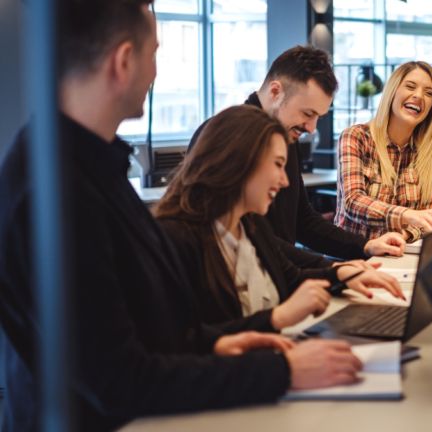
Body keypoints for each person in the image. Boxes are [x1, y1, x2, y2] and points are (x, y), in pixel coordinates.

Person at [0, 2, 361, 430]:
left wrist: (217, 342)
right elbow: (120, 380)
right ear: (123, 61)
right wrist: (284, 372)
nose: (156, 73)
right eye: (154, 54)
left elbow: (142, 326)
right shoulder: (54, 190)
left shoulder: (90, 166)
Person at [154, 105, 404, 331]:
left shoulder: (250, 226)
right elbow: (189, 340)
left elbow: (291, 277)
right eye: (277, 164)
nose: (284, 181)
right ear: (238, 161)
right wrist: (277, 318)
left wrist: (342, 274)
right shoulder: (175, 240)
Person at [187, 46, 405, 269]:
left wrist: (366, 245)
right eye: (307, 114)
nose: (311, 128)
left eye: (317, 117)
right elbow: (250, 241)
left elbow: (302, 221)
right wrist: (332, 271)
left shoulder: (287, 138)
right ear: (275, 92)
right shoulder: (223, 137)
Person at [335, 61, 432, 242]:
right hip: (353, 257)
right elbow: (353, 203)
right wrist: (407, 215)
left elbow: (430, 218)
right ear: (392, 91)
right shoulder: (356, 137)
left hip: (401, 254)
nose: (419, 96)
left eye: (429, 93)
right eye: (410, 86)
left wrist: (402, 235)